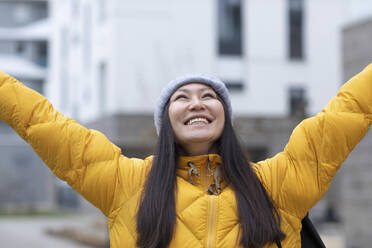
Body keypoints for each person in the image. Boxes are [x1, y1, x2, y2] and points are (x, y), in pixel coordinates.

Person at [0, 64, 371, 248]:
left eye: (209, 96)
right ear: (167, 121)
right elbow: (41, 121)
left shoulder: (277, 183)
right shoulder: (125, 183)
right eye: (182, 97)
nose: (197, 103)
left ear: (225, 116)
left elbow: (347, 113)